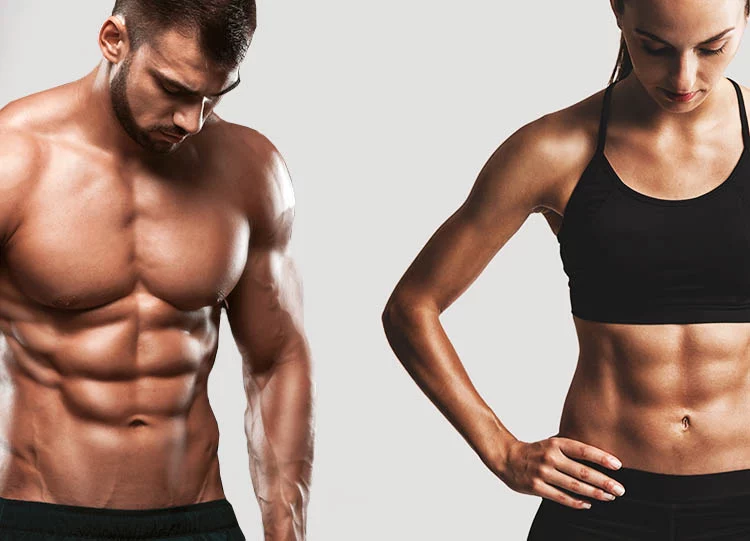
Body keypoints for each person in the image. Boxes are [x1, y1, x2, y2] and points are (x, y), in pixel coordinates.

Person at [382, 0, 750, 539]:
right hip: (597, 504)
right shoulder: (554, 149)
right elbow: (412, 307)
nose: (684, 77)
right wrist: (502, 450)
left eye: (712, 47)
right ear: (618, 10)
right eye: (655, 48)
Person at [0, 1, 313, 540]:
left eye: (214, 95)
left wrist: (285, 529)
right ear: (113, 40)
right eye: (174, 89)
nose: (192, 121)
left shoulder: (251, 170)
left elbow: (276, 359)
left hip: (196, 517)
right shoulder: (14, 159)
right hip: (39, 517)